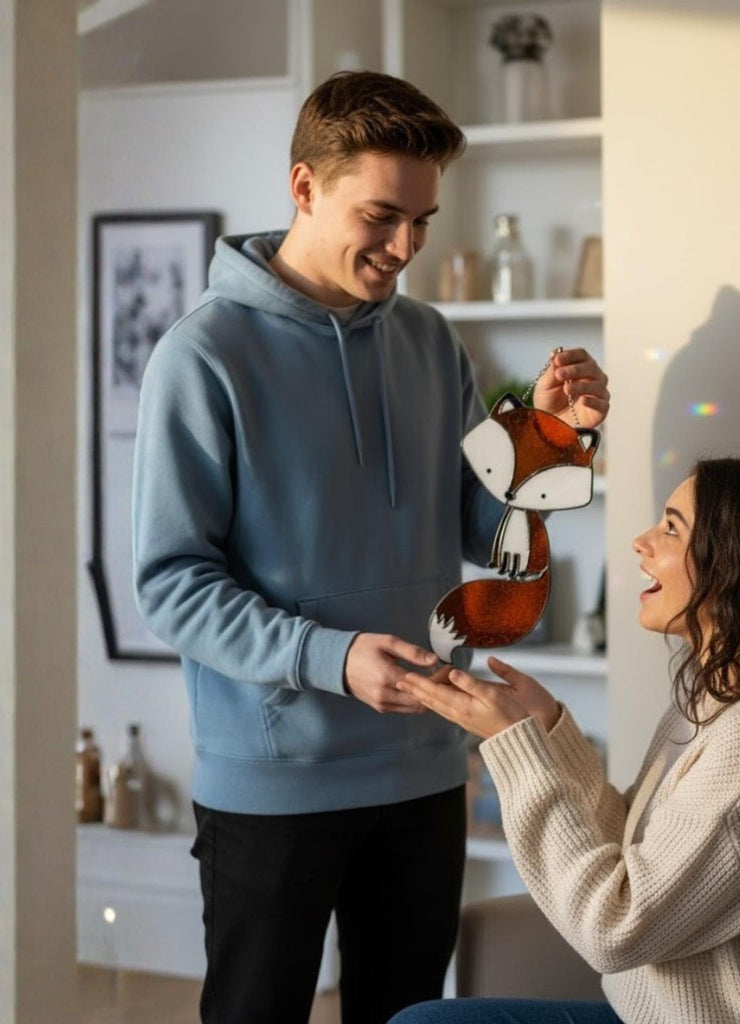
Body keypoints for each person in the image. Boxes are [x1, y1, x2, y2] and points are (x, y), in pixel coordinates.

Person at [131, 70, 610, 1024]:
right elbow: (172, 584)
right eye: (383, 215)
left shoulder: (433, 344)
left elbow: (487, 533)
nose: (405, 248)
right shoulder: (205, 356)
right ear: (304, 186)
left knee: (408, 1020)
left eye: (423, 221)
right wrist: (332, 659)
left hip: (425, 766)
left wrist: (550, 445)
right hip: (274, 780)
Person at [391, 458, 740, 1024]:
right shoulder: (720, 696)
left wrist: (517, 752)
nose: (640, 542)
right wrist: (549, 731)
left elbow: (617, 927)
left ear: (739, 564)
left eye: (671, 528)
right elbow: (637, 851)